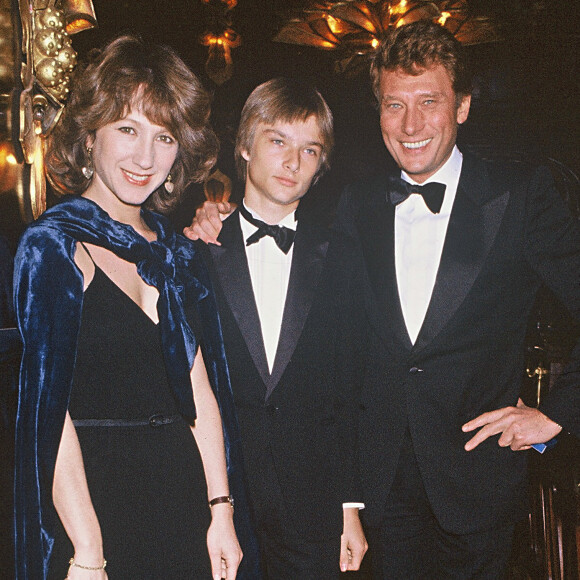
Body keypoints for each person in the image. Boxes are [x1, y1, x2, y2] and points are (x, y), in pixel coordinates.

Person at [187, 21, 580, 579]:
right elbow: (278, 240)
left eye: (429, 102)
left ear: (463, 106)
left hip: (477, 488)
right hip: (376, 495)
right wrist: (214, 221)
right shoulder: (353, 204)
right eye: (394, 105)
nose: (411, 124)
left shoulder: (521, 195)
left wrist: (556, 416)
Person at [13, 35, 260, 580]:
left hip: (184, 502)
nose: (145, 157)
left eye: (164, 137)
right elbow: (48, 415)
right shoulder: (54, 246)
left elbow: (199, 391)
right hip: (97, 505)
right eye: (127, 129)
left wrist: (222, 511)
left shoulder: (174, 252)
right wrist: (87, 550)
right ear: (90, 135)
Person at [187, 78, 368, 578]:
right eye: (278, 141)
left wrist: (349, 510)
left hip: (313, 506)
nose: (294, 162)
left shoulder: (344, 258)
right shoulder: (195, 252)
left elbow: (350, 389)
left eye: (310, 149)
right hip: (220, 497)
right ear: (244, 145)